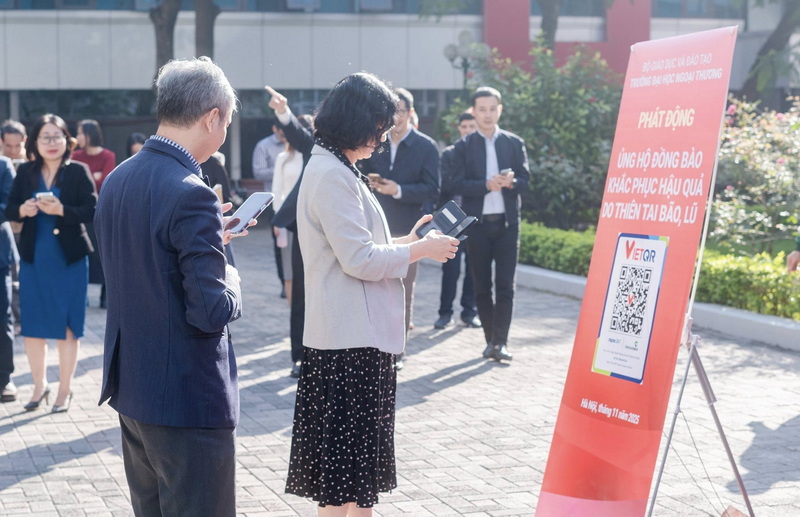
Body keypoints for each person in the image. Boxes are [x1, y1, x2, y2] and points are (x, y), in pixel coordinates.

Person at [285, 72, 459, 516]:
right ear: (356, 122)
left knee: (350, 478)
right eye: (378, 128)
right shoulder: (332, 174)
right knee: (346, 480)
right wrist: (420, 250)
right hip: (350, 341)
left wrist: (409, 241)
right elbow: (359, 260)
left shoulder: (335, 167)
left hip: (350, 336)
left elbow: (358, 247)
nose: (381, 140)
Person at [95, 57, 246, 517]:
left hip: (134, 390)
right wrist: (230, 273)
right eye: (227, 121)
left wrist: (209, 240)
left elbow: (145, 262)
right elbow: (211, 310)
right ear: (212, 117)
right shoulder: (192, 191)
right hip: (186, 398)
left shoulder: (118, 177)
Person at [6, 114, 96, 412]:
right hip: (34, 259)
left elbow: (92, 210)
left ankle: (65, 389)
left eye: (57, 136)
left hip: (69, 261)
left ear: (67, 140)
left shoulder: (78, 171)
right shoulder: (26, 172)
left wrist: (61, 210)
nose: (52, 142)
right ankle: (39, 386)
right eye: (45, 137)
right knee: (33, 326)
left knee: (68, 326)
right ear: (35, 142)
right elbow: (10, 209)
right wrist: (24, 209)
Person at [359, 87, 440, 369]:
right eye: (391, 112)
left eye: (401, 111)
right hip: (374, 227)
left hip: (409, 228)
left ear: (411, 112)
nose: (396, 118)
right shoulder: (373, 142)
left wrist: (398, 190)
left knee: (403, 290)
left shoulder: (426, 146)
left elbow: (433, 189)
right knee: (373, 289)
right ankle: (375, 346)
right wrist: (370, 183)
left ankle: (397, 352)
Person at [451, 86, 530, 363]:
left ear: (500, 110)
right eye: (482, 109)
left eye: (492, 109)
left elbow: (526, 181)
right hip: (478, 226)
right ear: (473, 111)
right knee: (482, 286)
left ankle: (502, 342)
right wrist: (485, 185)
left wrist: (512, 182)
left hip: (508, 225)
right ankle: (489, 341)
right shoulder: (463, 146)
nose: (487, 114)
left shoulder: (513, 143)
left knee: (506, 285)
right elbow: (456, 184)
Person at [265, 85, 315, 379]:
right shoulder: (315, 145)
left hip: (337, 229)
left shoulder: (360, 151)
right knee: (301, 295)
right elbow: (299, 135)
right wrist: (283, 111)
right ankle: (300, 357)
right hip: (303, 227)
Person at [434, 111, 480, 329]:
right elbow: (445, 184)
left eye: (472, 127)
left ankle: (469, 312)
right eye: (464, 127)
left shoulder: (482, 155)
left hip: (474, 219)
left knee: (473, 268)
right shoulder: (450, 153)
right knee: (450, 269)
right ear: (459, 129)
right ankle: (445, 313)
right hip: (453, 220)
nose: (467, 131)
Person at [72, 119, 116, 309]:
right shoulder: (74, 155)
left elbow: (106, 181)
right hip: (80, 212)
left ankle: (105, 296)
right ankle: (83, 295)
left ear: (90, 134)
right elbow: (73, 183)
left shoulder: (108, 155)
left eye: (80, 133)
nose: (77, 137)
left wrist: (86, 176)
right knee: (83, 254)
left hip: (102, 212)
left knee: (104, 253)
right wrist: (93, 175)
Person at [253, 118, 288, 298]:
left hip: (296, 202)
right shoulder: (263, 146)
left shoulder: (296, 144)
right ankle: (284, 282)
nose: (285, 136)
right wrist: (281, 170)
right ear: (275, 128)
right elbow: (258, 172)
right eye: (282, 132)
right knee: (280, 246)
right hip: (275, 203)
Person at [0, 156, 18, 403]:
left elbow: (10, 205)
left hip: (0, 257)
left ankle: (4, 379)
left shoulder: (3, 166)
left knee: (2, 317)